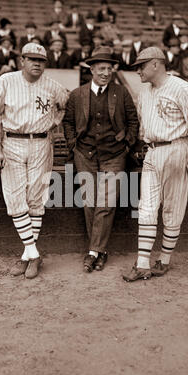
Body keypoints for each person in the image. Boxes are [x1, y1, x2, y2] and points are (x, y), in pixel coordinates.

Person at [123, 46, 188, 282]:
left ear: (155, 64)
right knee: (147, 207)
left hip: (177, 148)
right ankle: (142, 264)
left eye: (141, 66)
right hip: (152, 151)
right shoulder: (145, 92)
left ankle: (164, 260)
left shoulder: (182, 88)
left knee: (172, 209)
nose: (138, 71)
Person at [0, 43, 69, 278]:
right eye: (32, 59)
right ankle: (33, 253)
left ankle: (26, 256)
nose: (37, 64)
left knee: (36, 198)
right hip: (12, 142)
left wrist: (54, 122)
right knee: (15, 198)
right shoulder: (6, 81)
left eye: (41, 61)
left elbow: (66, 105)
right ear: (22, 60)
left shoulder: (53, 86)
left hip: (41, 143)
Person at [62, 46, 139, 273]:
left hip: (114, 155)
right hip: (84, 154)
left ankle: (93, 252)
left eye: (109, 68)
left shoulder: (121, 93)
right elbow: (67, 122)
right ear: (92, 70)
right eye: (101, 68)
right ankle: (100, 251)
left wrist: (127, 144)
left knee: (106, 203)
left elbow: (133, 121)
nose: (106, 72)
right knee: (89, 202)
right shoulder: (77, 94)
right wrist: (71, 143)